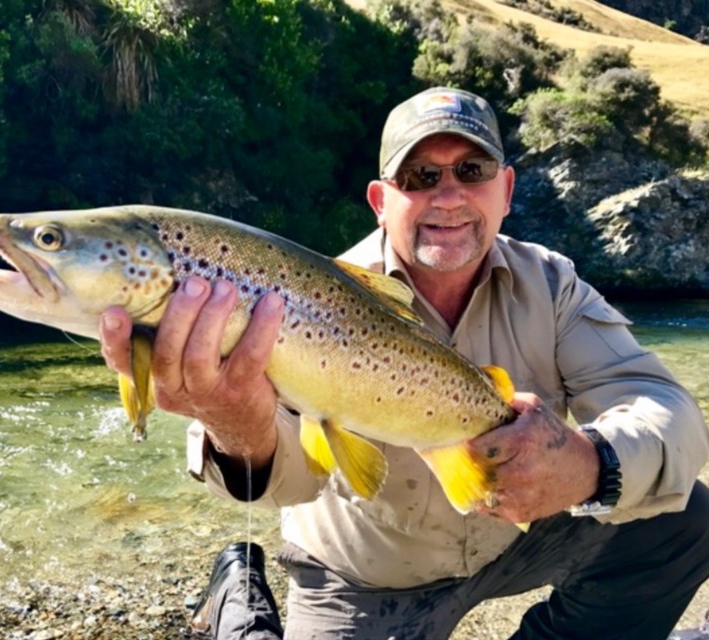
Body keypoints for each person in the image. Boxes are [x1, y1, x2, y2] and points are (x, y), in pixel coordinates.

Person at [99, 87, 709, 640]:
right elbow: (290, 483)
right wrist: (237, 426)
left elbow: (668, 411)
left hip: (513, 538)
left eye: (472, 170)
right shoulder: (297, 296)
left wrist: (589, 464)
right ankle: (237, 594)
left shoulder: (551, 284)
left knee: (686, 522)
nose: (447, 194)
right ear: (379, 201)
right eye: (419, 175)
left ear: (507, 190)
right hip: (364, 579)